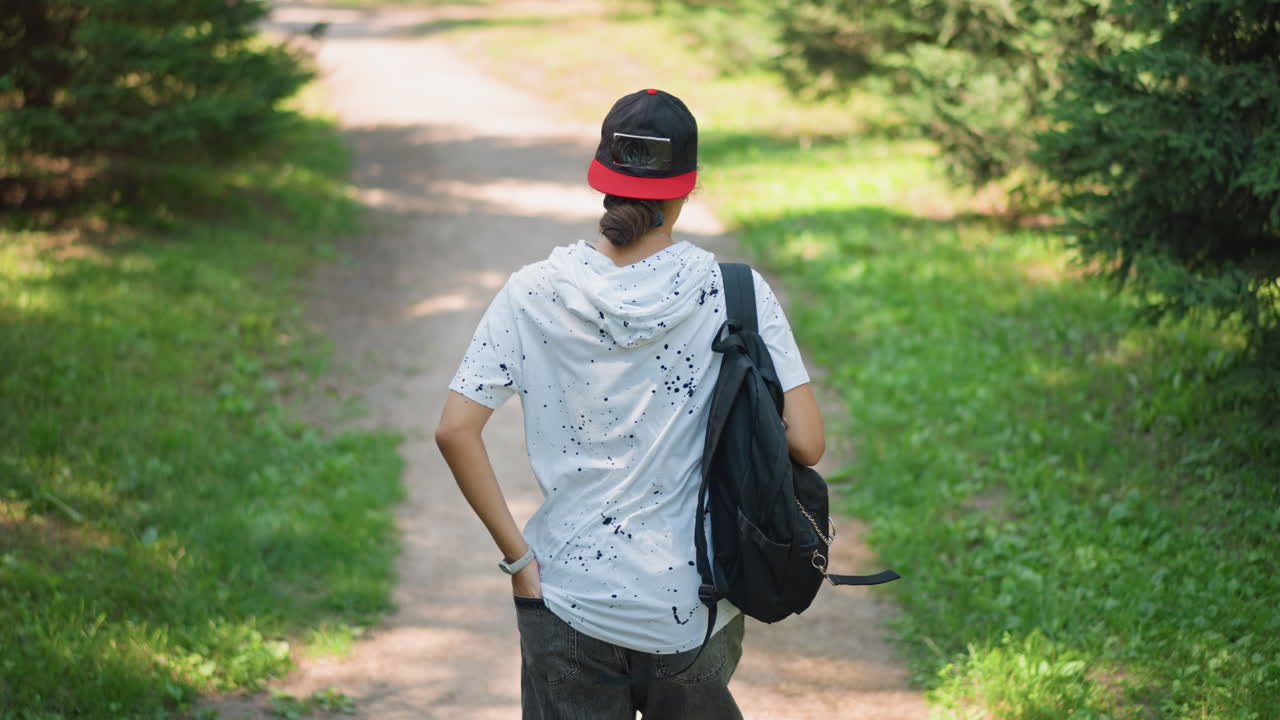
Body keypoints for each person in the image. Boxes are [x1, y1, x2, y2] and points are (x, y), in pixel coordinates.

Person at [434, 88, 825, 720]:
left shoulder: (532, 292)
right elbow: (806, 444)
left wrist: (519, 561)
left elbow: (455, 430)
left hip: (563, 599)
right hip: (693, 605)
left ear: (601, 181)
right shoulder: (734, 292)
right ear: (688, 188)